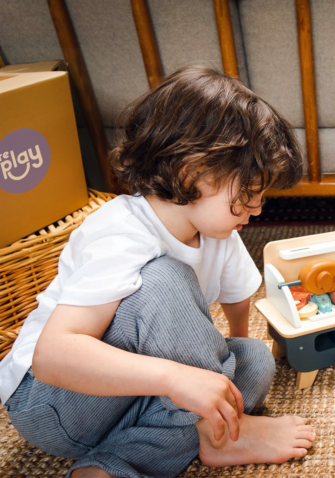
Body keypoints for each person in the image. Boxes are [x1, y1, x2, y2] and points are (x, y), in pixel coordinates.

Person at [0, 67, 315, 478]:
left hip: (130, 400)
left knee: (253, 359)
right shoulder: (121, 230)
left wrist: (222, 375)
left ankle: (110, 466)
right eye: (248, 194)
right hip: (55, 402)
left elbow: (238, 301)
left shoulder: (217, 230)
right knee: (164, 279)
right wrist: (174, 377)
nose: (258, 209)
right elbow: (51, 357)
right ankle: (218, 433)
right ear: (192, 173)